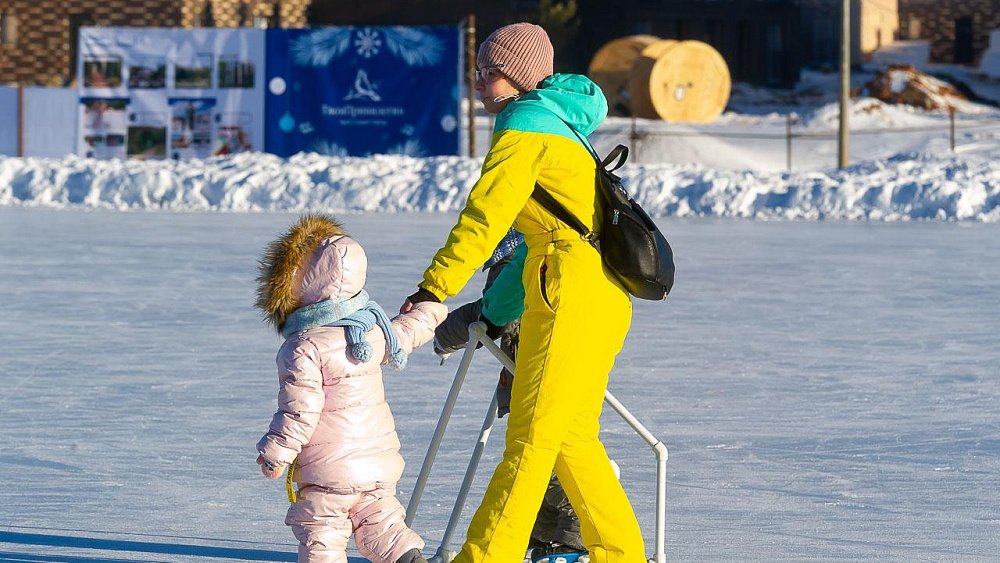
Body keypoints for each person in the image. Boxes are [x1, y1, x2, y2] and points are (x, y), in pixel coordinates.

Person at [400, 22, 645, 563]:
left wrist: (432, 289)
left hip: (569, 292)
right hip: (599, 294)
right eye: (478, 72)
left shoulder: (525, 126)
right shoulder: (561, 124)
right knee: (572, 440)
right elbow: (550, 241)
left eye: (491, 73)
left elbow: (485, 219)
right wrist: (491, 311)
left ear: (519, 77)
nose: (481, 83)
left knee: (530, 443)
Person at [255, 214, 447, 563]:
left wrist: (276, 452)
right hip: (377, 463)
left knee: (322, 536)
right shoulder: (372, 329)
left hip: (329, 472)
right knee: (384, 528)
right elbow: (406, 331)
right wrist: (429, 311)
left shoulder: (303, 346)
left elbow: (300, 409)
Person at [432, 230, 588, 563]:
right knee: (543, 468)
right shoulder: (542, 267)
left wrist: (442, 335)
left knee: (555, 465)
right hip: (534, 384)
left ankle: (573, 543)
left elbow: (485, 315)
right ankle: (547, 540)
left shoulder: (523, 270)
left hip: (541, 385)